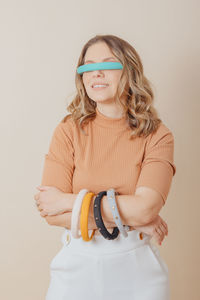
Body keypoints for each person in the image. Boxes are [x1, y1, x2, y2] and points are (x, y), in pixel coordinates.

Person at [34, 34, 176, 300]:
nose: (96, 73)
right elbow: (50, 212)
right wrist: (133, 221)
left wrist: (67, 200)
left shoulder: (158, 135)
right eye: (88, 66)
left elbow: (146, 208)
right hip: (75, 266)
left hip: (140, 274)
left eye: (108, 64)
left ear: (129, 71)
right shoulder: (67, 131)